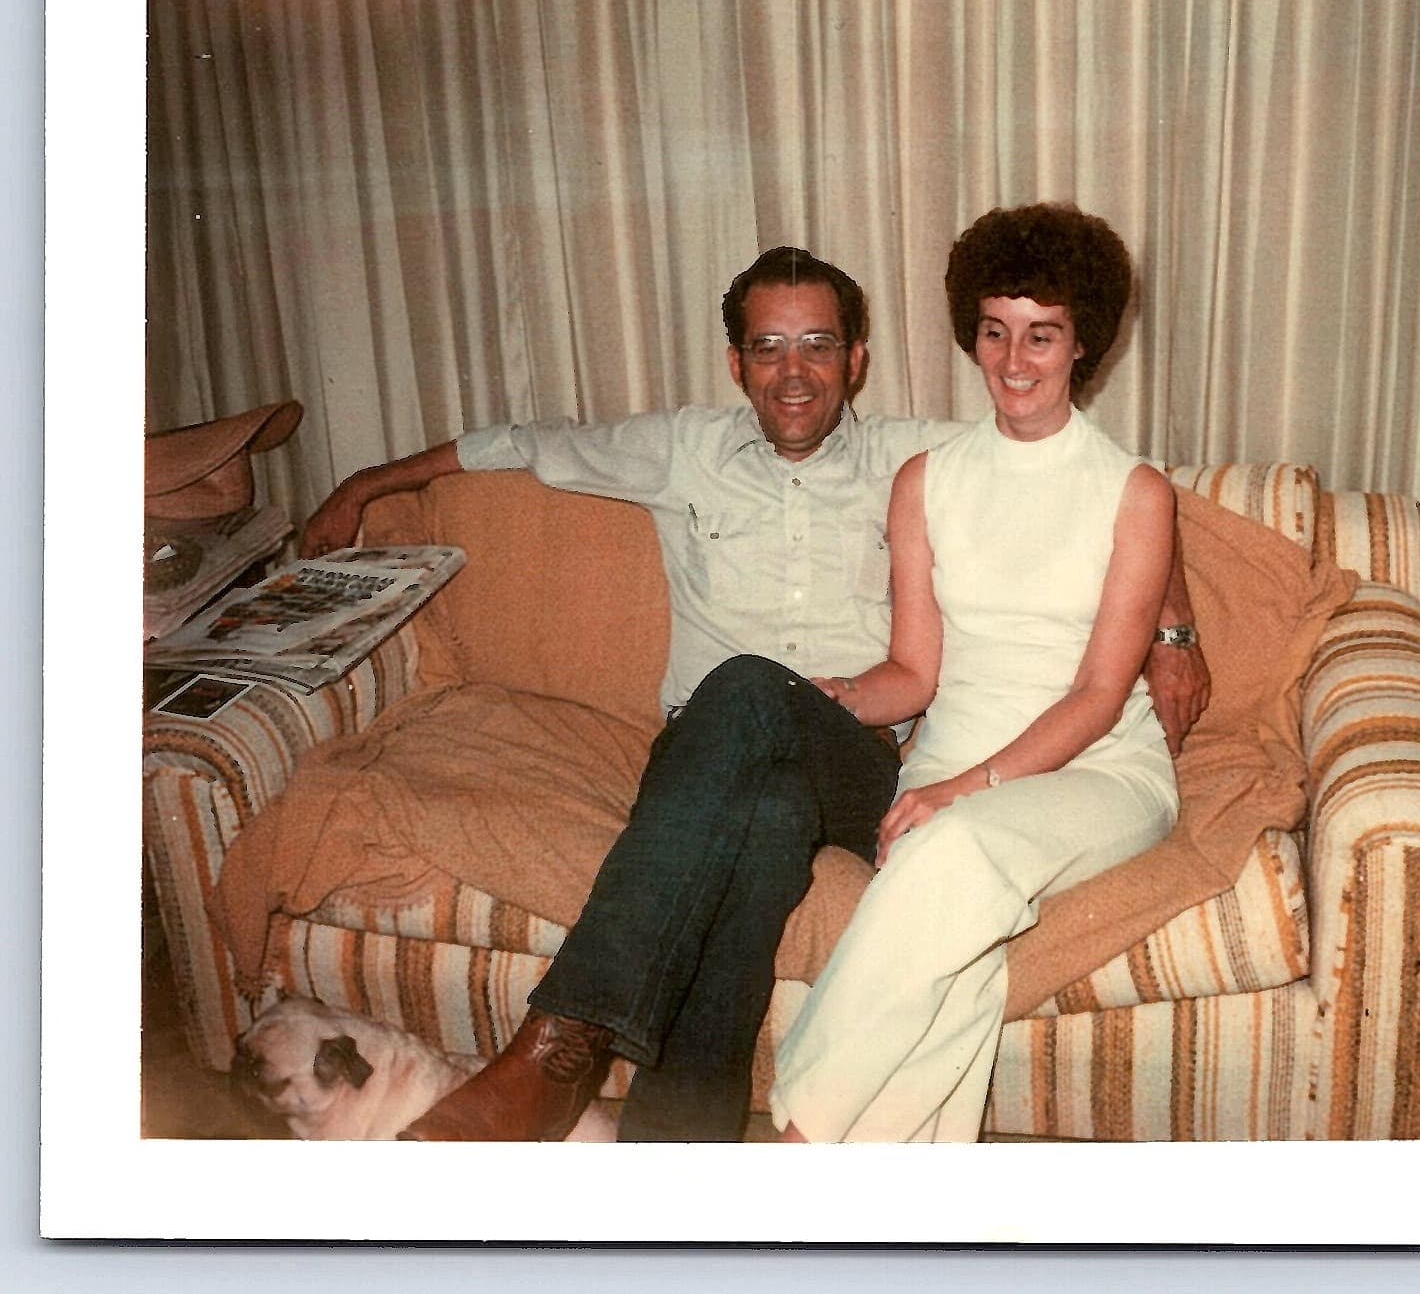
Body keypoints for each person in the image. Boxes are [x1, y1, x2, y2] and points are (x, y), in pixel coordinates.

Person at [298, 243, 1210, 1143]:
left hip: (865, 758)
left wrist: (1174, 631)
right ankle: (676, 1158)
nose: (794, 373)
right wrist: (364, 483)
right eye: (768, 349)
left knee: (743, 693)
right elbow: (526, 445)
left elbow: (1102, 508)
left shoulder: (922, 457)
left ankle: (556, 1045)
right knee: (761, 803)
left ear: (857, 359)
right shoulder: (712, 452)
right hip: (740, 746)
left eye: (818, 345)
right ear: (737, 361)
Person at [771, 205, 1178, 1143]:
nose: (1014, 359)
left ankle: (790, 1151)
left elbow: (1099, 694)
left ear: (1084, 345)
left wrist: (965, 789)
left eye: (1043, 334)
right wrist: (835, 697)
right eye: (995, 331)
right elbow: (914, 671)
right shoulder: (925, 480)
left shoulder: (1134, 492)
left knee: (949, 852)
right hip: (947, 767)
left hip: (1100, 771)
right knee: (955, 960)